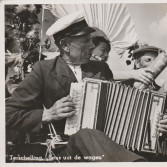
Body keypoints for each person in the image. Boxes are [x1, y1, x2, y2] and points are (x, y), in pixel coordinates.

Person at [6, 11, 144, 162]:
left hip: (102, 148)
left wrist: (149, 122)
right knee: (85, 135)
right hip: (64, 150)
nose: (92, 46)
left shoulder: (101, 68)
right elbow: (8, 114)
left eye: (91, 40)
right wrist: (47, 114)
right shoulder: (44, 70)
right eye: (85, 41)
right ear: (65, 45)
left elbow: (117, 109)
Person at [121, 45, 167, 161]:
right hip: (125, 149)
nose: (153, 64)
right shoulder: (123, 85)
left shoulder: (157, 87)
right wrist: (162, 91)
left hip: (151, 148)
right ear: (136, 63)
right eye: (148, 60)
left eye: (155, 61)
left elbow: (163, 113)